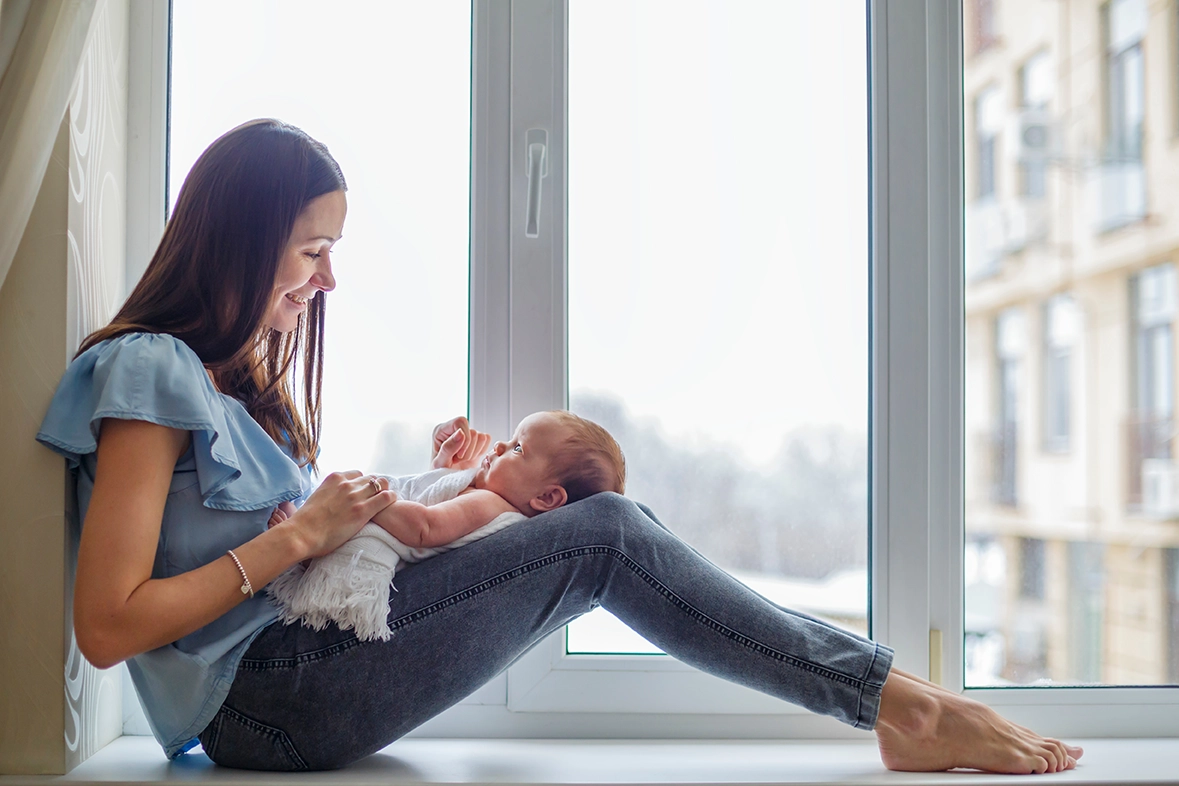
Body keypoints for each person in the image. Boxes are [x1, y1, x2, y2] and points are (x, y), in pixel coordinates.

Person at [34, 119, 1083, 773]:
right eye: (314, 249)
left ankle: (899, 703)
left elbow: (332, 549)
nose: (328, 281)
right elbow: (108, 625)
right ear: (241, 238)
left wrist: (446, 490)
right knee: (607, 536)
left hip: (298, 676)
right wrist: (296, 536)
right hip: (267, 704)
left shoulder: (244, 386)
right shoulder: (152, 373)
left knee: (598, 526)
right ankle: (904, 704)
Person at [266, 410, 627, 641]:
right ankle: (297, 542)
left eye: (518, 448)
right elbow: (436, 502)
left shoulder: (491, 504)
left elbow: (425, 527)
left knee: (332, 517)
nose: (501, 445)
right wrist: (446, 469)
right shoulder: (488, 499)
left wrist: (369, 500)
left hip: (386, 554)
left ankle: (297, 547)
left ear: (547, 499)